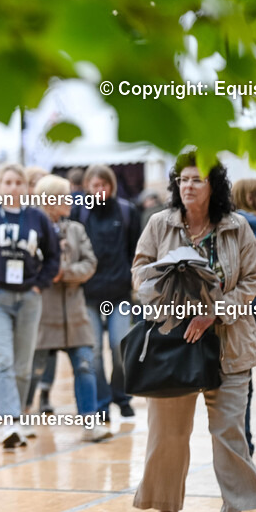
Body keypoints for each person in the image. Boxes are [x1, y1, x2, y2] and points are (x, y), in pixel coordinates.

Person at [132, 151, 256, 512]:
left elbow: (253, 278)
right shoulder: (159, 224)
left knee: (229, 434)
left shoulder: (237, 227)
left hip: (229, 344)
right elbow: (139, 274)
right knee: (167, 434)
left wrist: (214, 313)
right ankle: (166, 511)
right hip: (173, 344)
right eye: (183, 179)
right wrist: (171, 297)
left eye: (197, 180)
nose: (188, 186)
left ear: (214, 187)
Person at [0, 163, 60, 448]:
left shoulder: (38, 218)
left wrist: (39, 284)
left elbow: (53, 256)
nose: (13, 187)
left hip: (28, 298)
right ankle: (8, 422)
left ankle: (17, 416)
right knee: (2, 361)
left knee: (23, 365)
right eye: (8, 182)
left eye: (19, 182)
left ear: (26, 187)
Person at [29, 175, 110, 440]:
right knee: (34, 370)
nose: (70, 201)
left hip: (75, 312)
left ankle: (89, 424)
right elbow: (29, 267)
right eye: (64, 196)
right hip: (42, 313)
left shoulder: (75, 229)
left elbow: (90, 263)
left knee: (85, 365)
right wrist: (47, 272)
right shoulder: (31, 229)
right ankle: (21, 418)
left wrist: (64, 273)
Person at [71, 164, 140, 421]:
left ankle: (121, 396)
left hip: (119, 292)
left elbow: (136, 249)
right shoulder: (79, 213)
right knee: (95, 352)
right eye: (95, 185)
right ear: (87, 187)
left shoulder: (127, 211)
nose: (100, 190)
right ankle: (101, 403)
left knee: (119, 346)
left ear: (111, 186)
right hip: (88, 292)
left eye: (104, 185)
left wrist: (133, 276)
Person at [231, 177, 256, 455]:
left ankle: (243, 451)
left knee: (241, 391)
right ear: (250, 197)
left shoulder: (227, 228)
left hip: (237, 318)